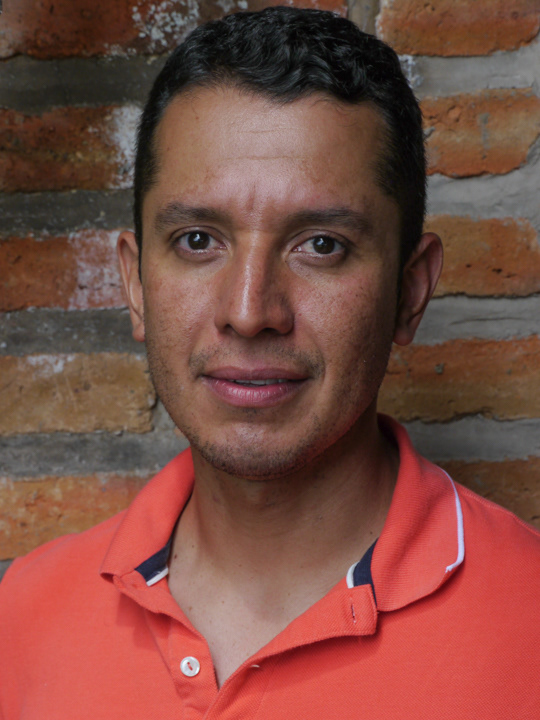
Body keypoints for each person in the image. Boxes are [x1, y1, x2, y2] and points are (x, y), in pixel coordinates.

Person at [1, 7, 539, 718]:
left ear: (410, 293)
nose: (250, 311)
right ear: (135, 285)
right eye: (198, 240)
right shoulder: (23, 618)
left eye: (321, 245)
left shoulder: (528, 622)